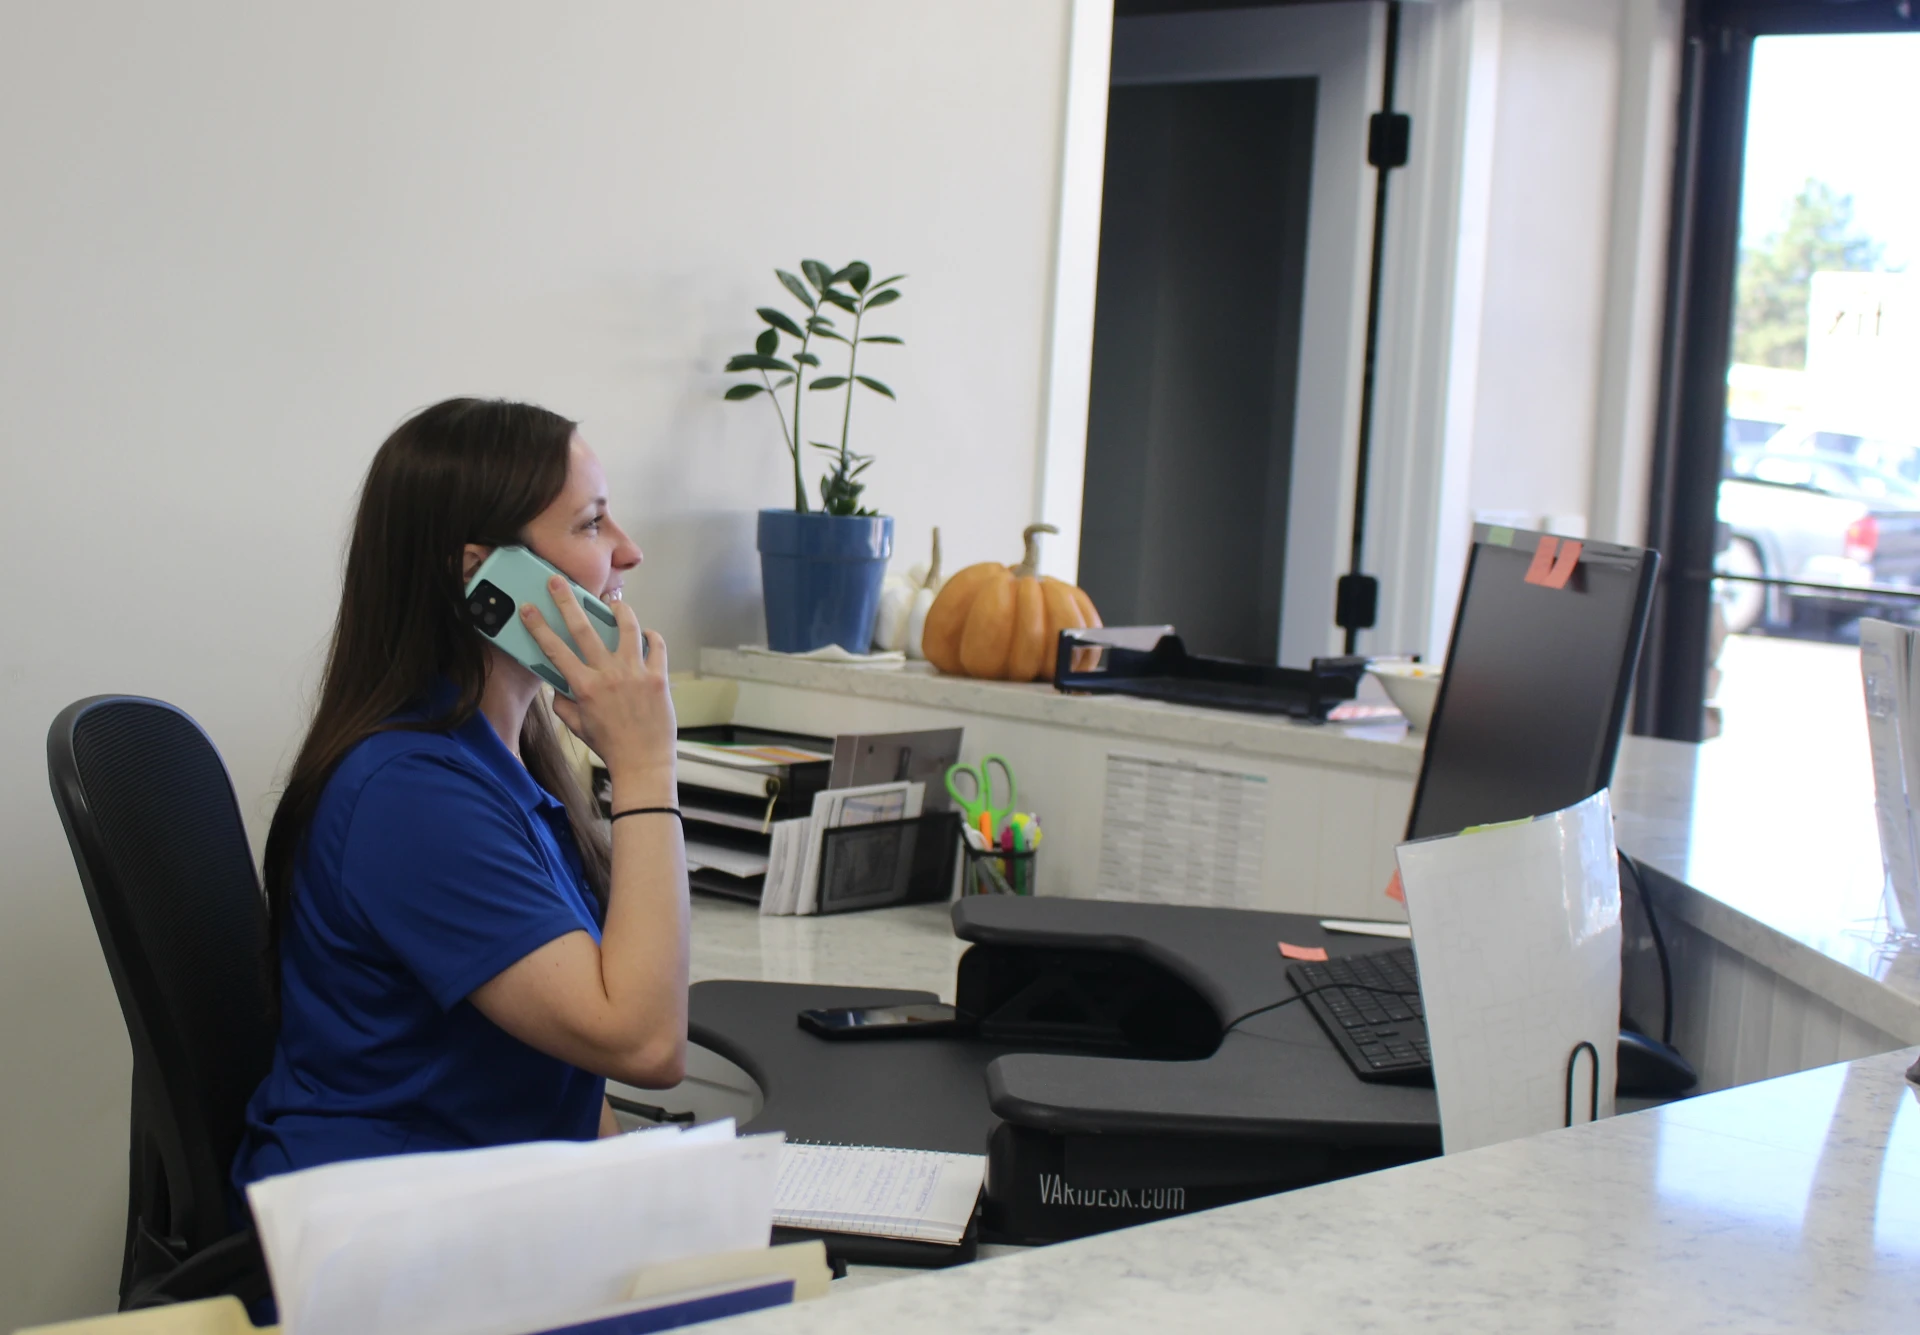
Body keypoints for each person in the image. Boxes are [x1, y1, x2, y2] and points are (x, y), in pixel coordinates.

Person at [232, 397, 688, 1193]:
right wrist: (647, 768)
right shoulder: (409, 796)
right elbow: (646, 1045)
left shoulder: (502, 762)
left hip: (482, 1202)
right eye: (591, 525)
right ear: (486, 576)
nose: (629, 552)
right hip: (389, 1241)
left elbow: (577, 1074)